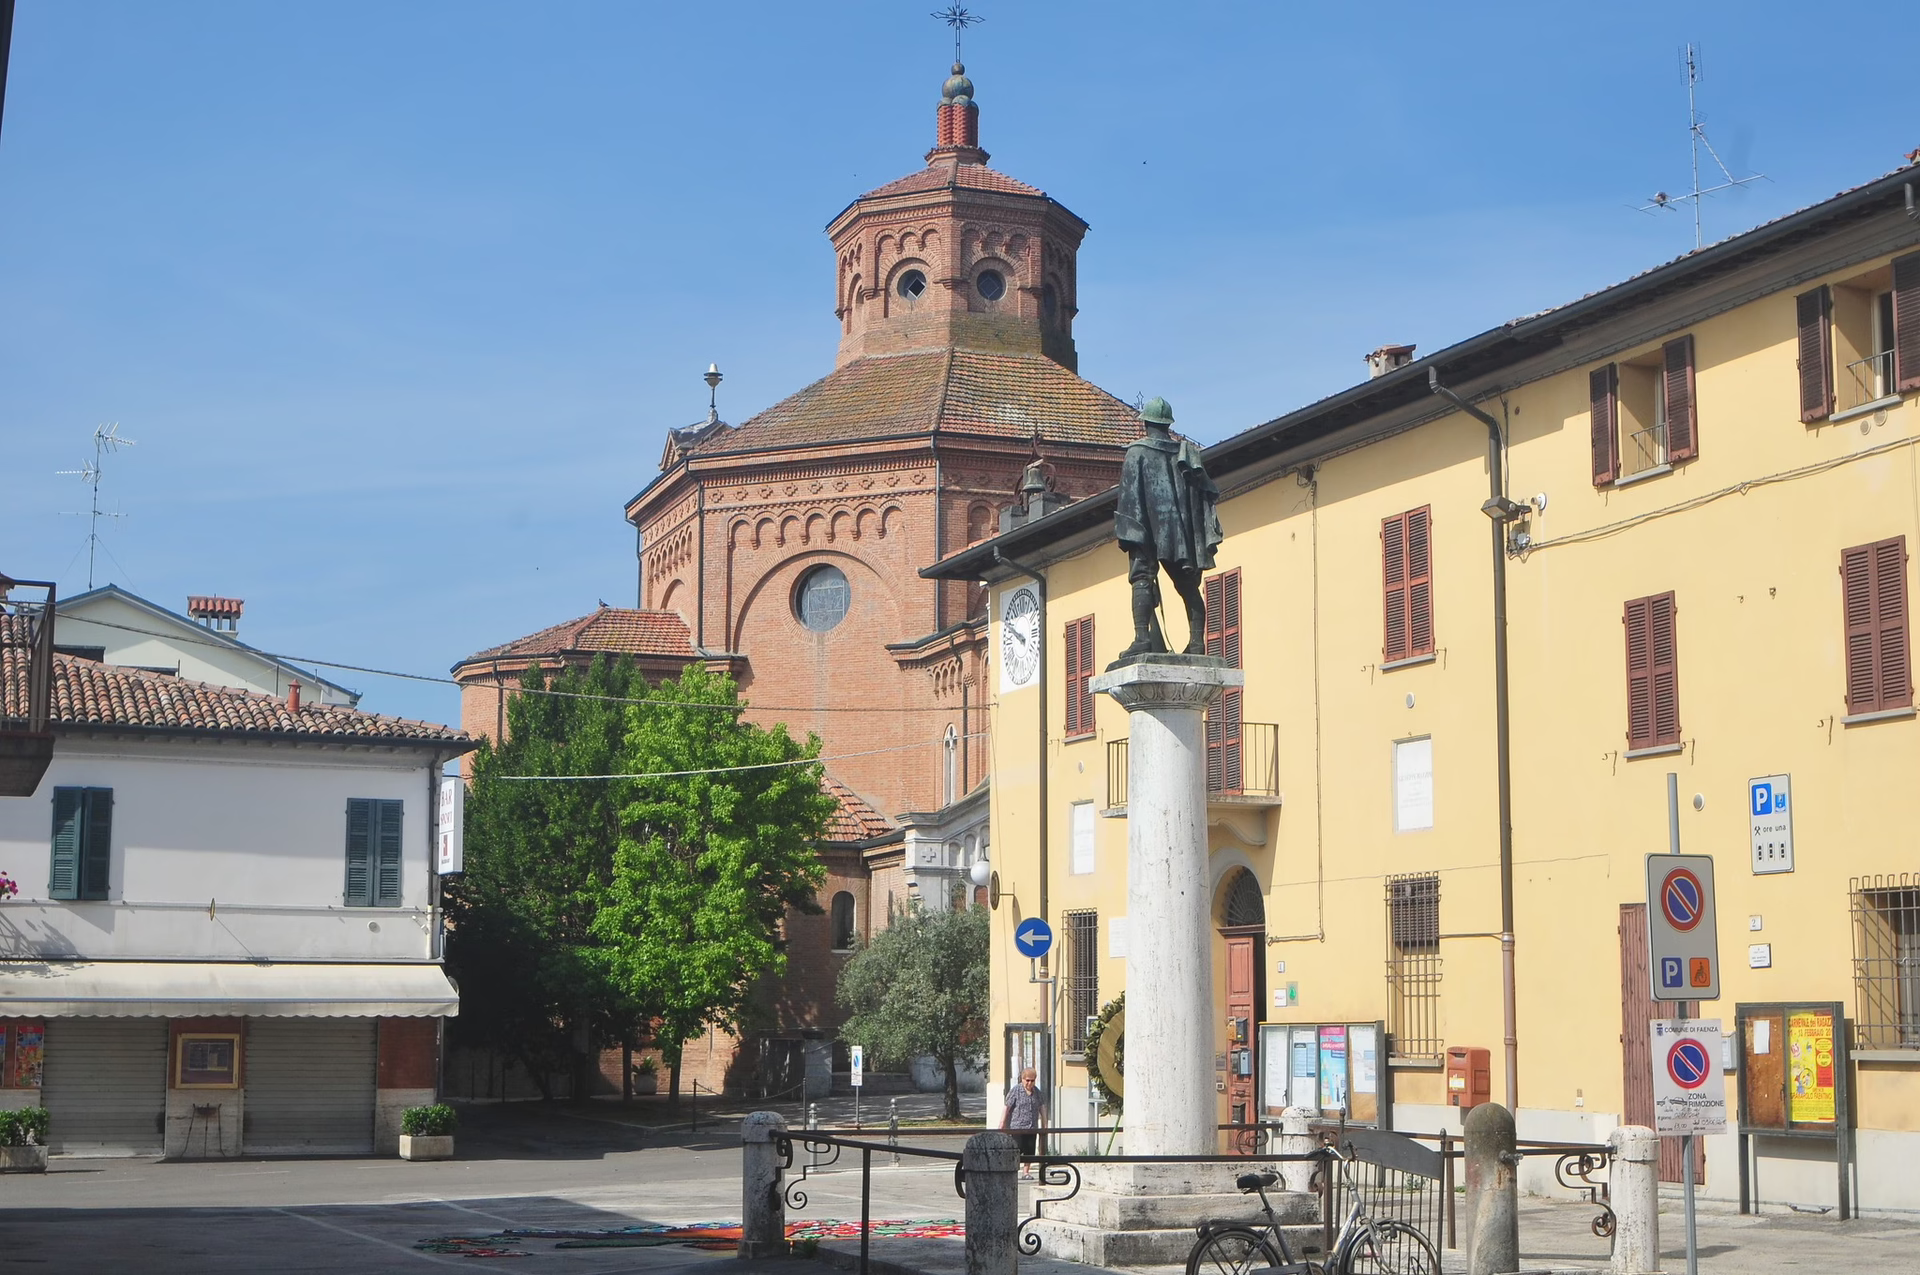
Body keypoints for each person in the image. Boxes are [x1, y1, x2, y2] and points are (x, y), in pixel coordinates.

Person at [1112, 396, 1224, 661]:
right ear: (1167, 425)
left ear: (1146, 424)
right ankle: (1196, 642)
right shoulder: (1185, 455)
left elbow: (1129, 497)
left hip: (1146, 528)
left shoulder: (1137, 452)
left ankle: (1142, 638)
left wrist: (1130, 532)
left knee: (1141, 578)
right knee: (1187, 585)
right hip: (1179, 531)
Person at [1000, 1066, 1047, 1178]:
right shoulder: (1016, 1091)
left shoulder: (1037, 1093)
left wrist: (1045, 1125)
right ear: (1022, 1079)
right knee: (1017, 1148)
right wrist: (1002, 1123)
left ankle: (1026, 1172)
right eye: (1027, 1080)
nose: (1030, 1083)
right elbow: (1007, 1107)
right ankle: (1011, 1169)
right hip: (1017, 1126)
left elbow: (1042, 1108)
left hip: (1032, 1127)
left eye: (1032, 1081)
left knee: (1030, 1150)